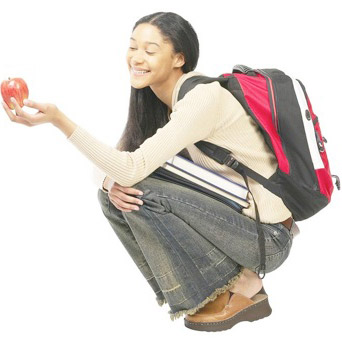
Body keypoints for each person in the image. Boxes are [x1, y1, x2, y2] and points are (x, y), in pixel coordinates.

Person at [2, 11, 299, 332]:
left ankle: (242, 283)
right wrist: (109, 181)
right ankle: (213, 288)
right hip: (236, 226)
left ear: (178, 58)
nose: (136, 58)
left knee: (139, 187)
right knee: (113, 196)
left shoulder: (201, 99)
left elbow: (131, 170)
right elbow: (117, 165)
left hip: (266, 238)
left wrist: (59, 120)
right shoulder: (161, 103)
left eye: (150, 49)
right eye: (133, 47)